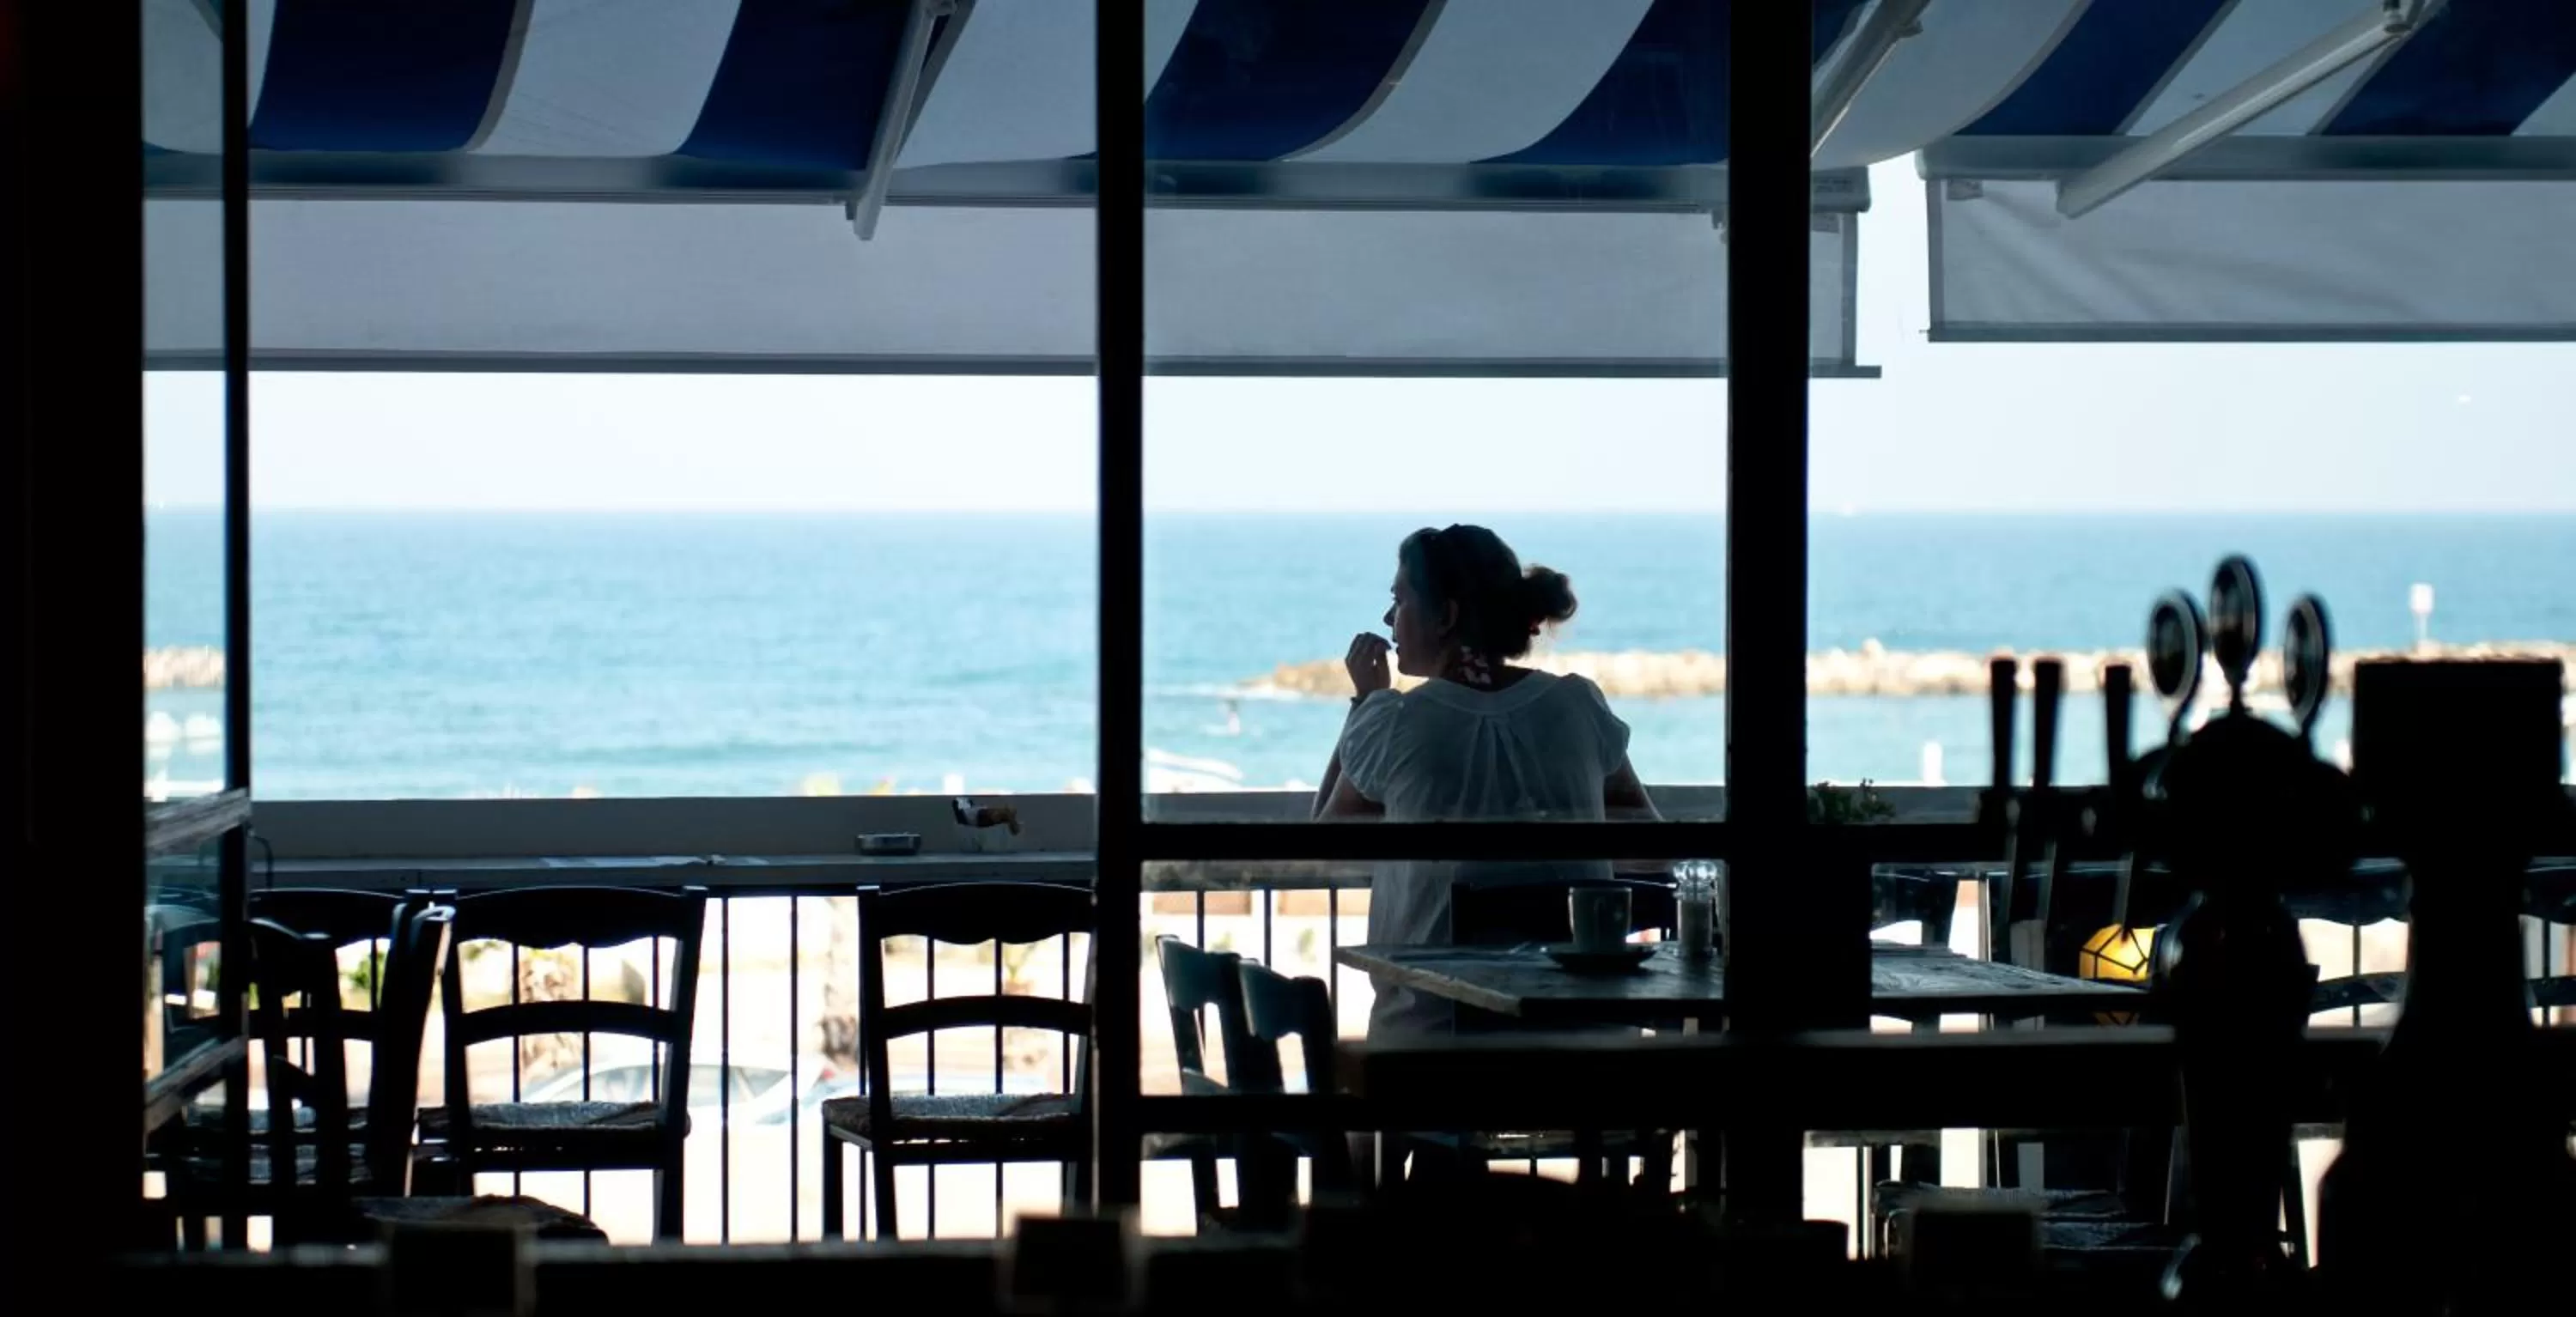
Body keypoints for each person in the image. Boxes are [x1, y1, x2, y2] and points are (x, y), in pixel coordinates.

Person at [1311, 525, 1658, 1041]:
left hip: (1433, 1035)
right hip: (1582, 1041)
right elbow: (1649, 843)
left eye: (1399, 600)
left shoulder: (1398, 721)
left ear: (1446, 616)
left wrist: (1366, 700)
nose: (1389, 620)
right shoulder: (1577, 706)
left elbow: (1326, 840)